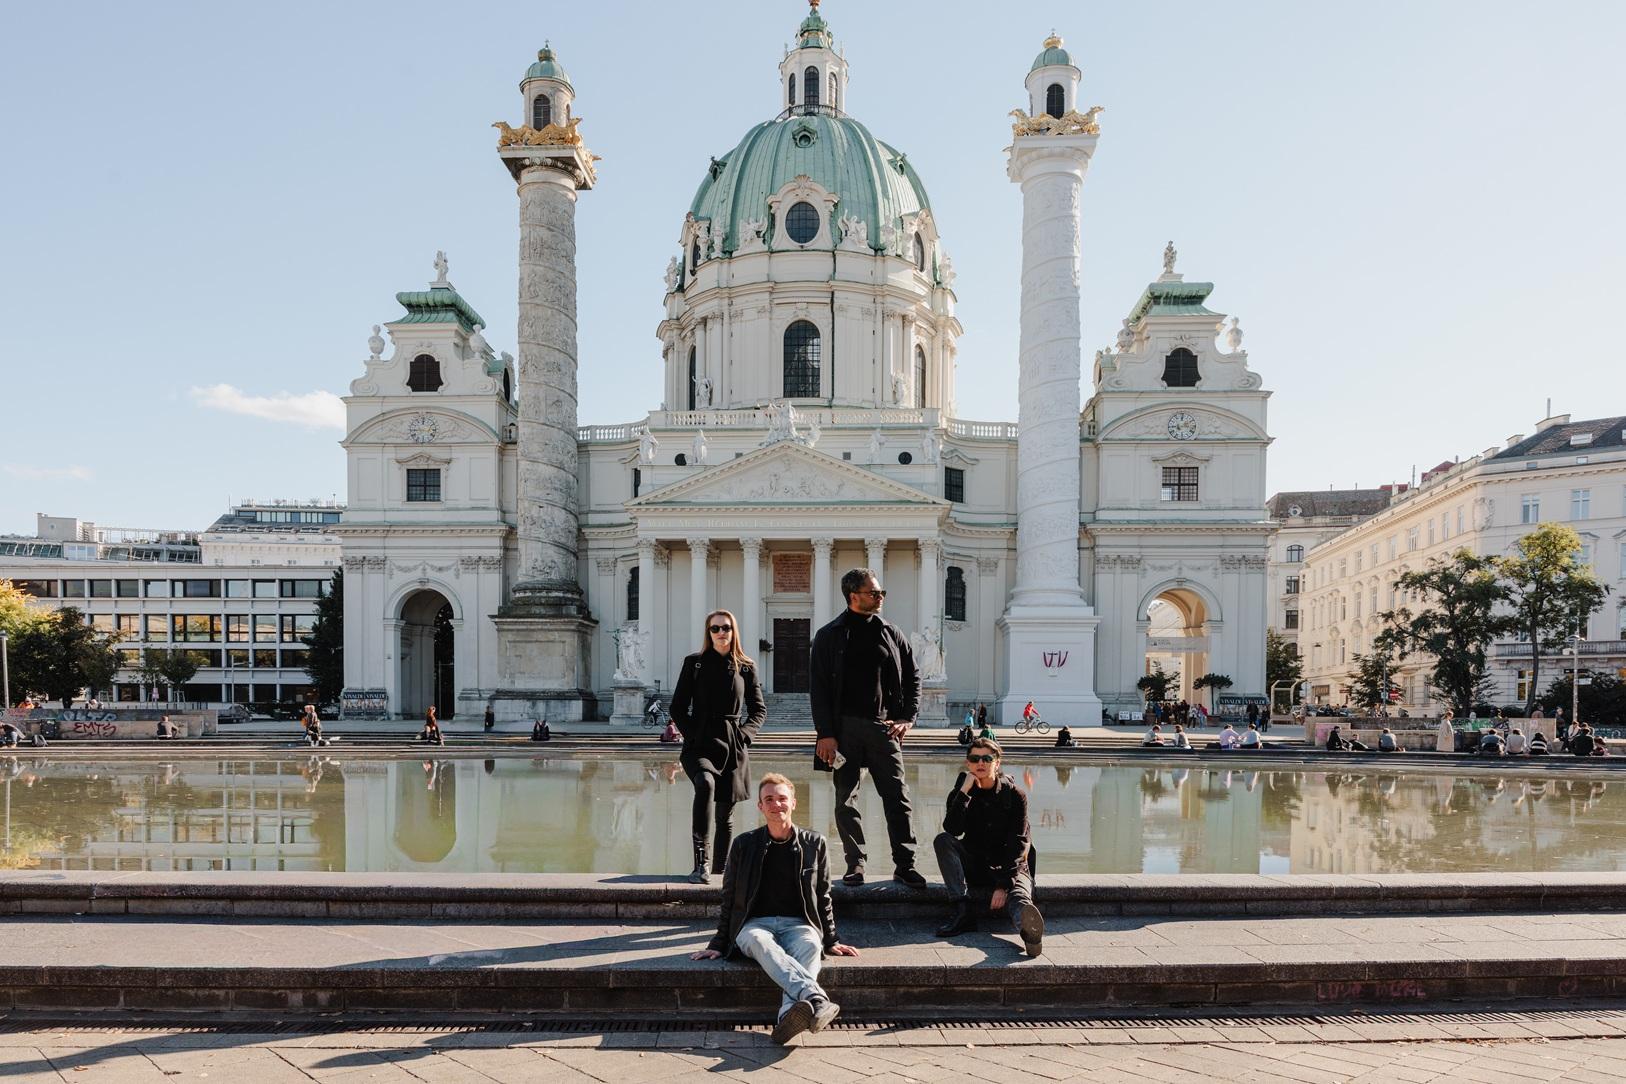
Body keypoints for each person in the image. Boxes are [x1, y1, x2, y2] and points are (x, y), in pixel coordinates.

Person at [690, 774, 858, 1045]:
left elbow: (823, 895)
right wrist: (719, 941)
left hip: (798, 924)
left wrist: (831, 939)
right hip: (754, 925)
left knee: (811, 946)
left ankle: (786, 1018)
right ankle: (815, 997)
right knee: (759, 941)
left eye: (782, 799)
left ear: (793, 802)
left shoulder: (815, 843)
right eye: (769, 799)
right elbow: (729, 896)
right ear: (760, 806)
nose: (776, 804)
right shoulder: (744, 844)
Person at [810, 568, 925, 888]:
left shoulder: (891, 632)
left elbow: (913, 677)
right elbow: (818, 688)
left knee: (898, 797)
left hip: (883, 728)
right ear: (853, 596)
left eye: (881, 593)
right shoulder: (828, 635)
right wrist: (826, 734)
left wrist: (908, 717)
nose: (880, 598)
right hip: (842, 731)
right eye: (874, 593)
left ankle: (905, 864)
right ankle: (855, 864)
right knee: (845, 800)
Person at [670, 608, 766, 884]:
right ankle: (701, 864)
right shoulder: (695, 663)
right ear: (708, 633)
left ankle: (720, 871)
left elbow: (759, 710)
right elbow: (677, 707)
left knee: (725, 813)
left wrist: (745, 735)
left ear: (734, 631)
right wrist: (692, 735)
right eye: (715, 628)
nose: (721, 632)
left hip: (732, 742)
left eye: (726, 627)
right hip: (699, 741)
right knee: (705, 784)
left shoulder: (745, 666)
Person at [933, 738, 1043, 957]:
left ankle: (1031, 933)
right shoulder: (960, 794)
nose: (980, 763)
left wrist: (1003, 885)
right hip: (976, 864)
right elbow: (952, 829)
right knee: (943, 840)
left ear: (997, 763)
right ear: (968, 764)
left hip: (1011, 866)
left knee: (1018, 895)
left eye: (987, 758)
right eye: (975, 759)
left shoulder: (1015, 795)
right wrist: (964, 792)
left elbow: (1019, 843)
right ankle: (963, 912)